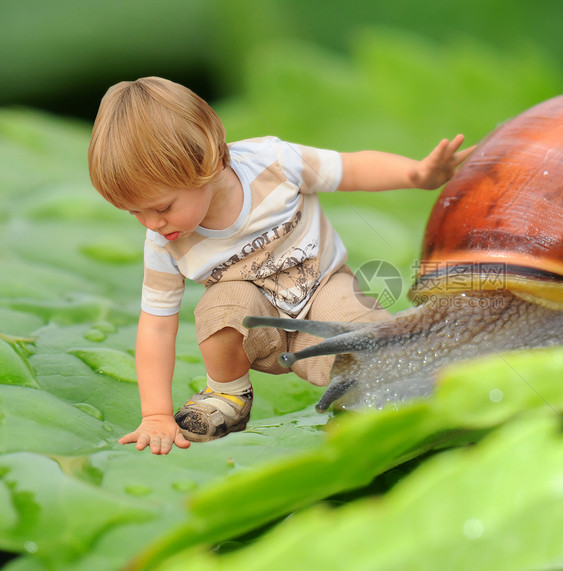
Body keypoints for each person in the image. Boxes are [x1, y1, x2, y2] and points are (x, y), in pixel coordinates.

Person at [87, 76, 472, 455]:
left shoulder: (272, 162)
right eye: (135, 213)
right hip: (255, 327)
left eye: (161, 208)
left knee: (371, 347)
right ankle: (228, 394)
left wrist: (416, 175)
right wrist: (155, 414)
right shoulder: (163, 241)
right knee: (222, 304)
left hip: (322, 289)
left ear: (208, 161)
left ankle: (386, 386)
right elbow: (156, 325)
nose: (152, 224)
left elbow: (350, 168)